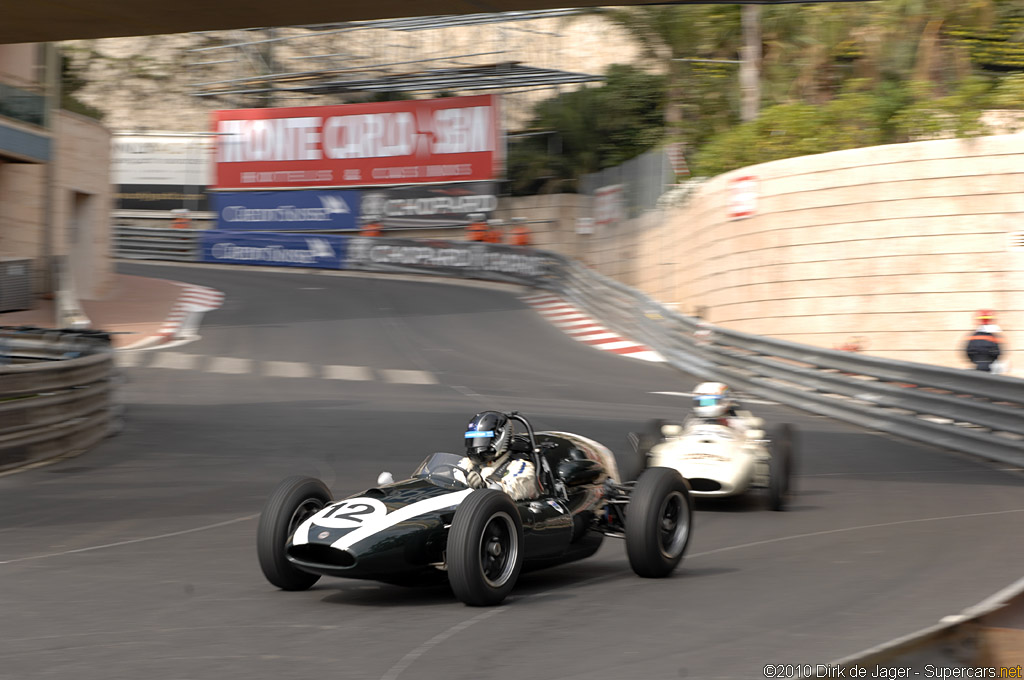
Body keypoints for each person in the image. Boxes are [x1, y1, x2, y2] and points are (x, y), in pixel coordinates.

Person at [456, 411, 538, 501]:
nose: (476, 445)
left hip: (503, 509)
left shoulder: (521, 466)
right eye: (472, 439)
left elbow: (516, 488)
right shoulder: (467, 463)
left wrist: (485, 486)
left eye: (482, 439)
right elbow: (450, 479)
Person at [687, 381, 759, 434]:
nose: (706, 405)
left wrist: (727, 424)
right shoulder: (693, 422)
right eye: (703, 402)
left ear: (725, 401)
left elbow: (747, 437)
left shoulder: (737, 422)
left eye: (711, 401)